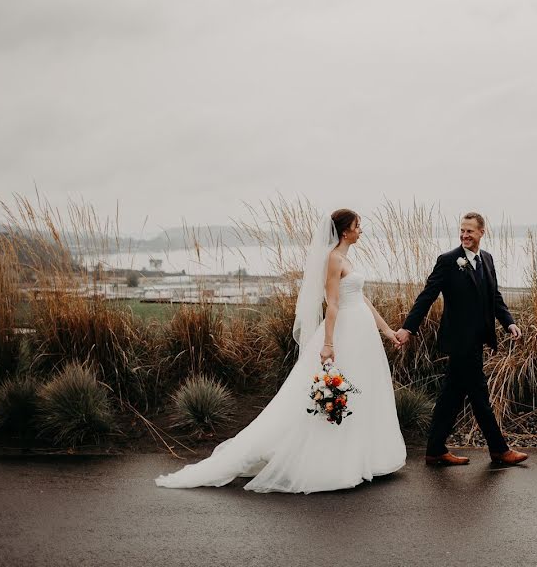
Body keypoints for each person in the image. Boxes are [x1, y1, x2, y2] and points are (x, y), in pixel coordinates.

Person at [155, 209, 406, 493]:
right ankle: (334, 461)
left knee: (362, 393)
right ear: (345, 231)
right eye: (358, 226)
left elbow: (362, 300)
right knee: (337, 395)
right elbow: (333, 304)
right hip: (345, 333)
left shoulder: (346, 258)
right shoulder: (332, 260)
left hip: (363, 334)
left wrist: (387, 331)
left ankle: (365, 459)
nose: (361, 231)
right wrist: (328, 343)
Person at [395, 212, 528, 466]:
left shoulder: (487, 259)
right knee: (479, 395)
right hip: (459, 341)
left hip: (478, 340)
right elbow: (427, 296)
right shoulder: (448, 261)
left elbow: (494, 297)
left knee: (451, 396)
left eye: (470, 231)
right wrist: (408, 328)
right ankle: (499, 449)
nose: (465, 235)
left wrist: (509, 322)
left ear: (481, 232)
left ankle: (435, 450)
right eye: (462, 230)